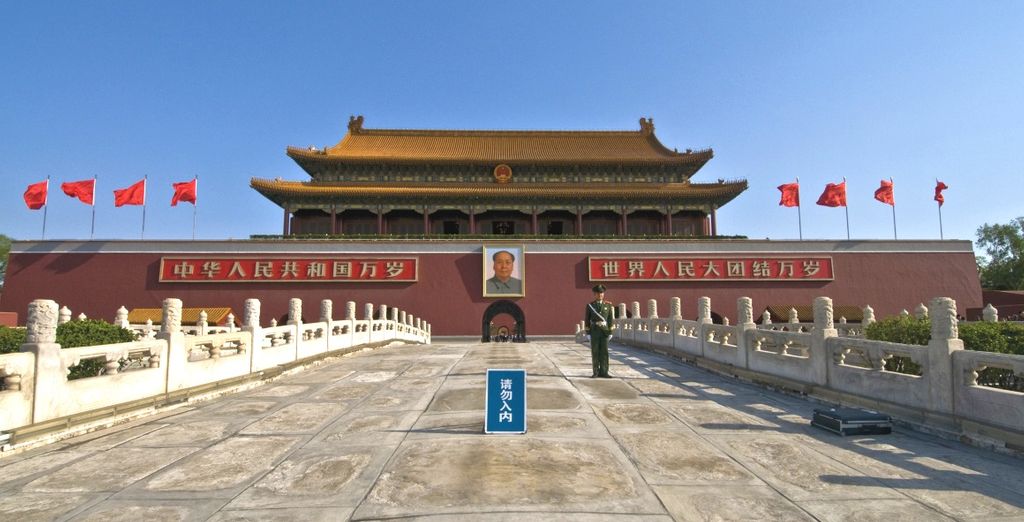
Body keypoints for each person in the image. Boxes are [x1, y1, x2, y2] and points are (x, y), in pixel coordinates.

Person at [584, 284, 614, 378]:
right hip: (595, 331)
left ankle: (604, 372)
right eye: (598, 293)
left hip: (604, 332)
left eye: (601, 293)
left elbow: (610, 319)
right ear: (595, 294)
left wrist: (610, 332)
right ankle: (596, 372)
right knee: (595, 351)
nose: (600, 295)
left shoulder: (608, 305)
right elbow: (587, 320)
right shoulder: (590, 306)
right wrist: (588, 333)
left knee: (604, 352)